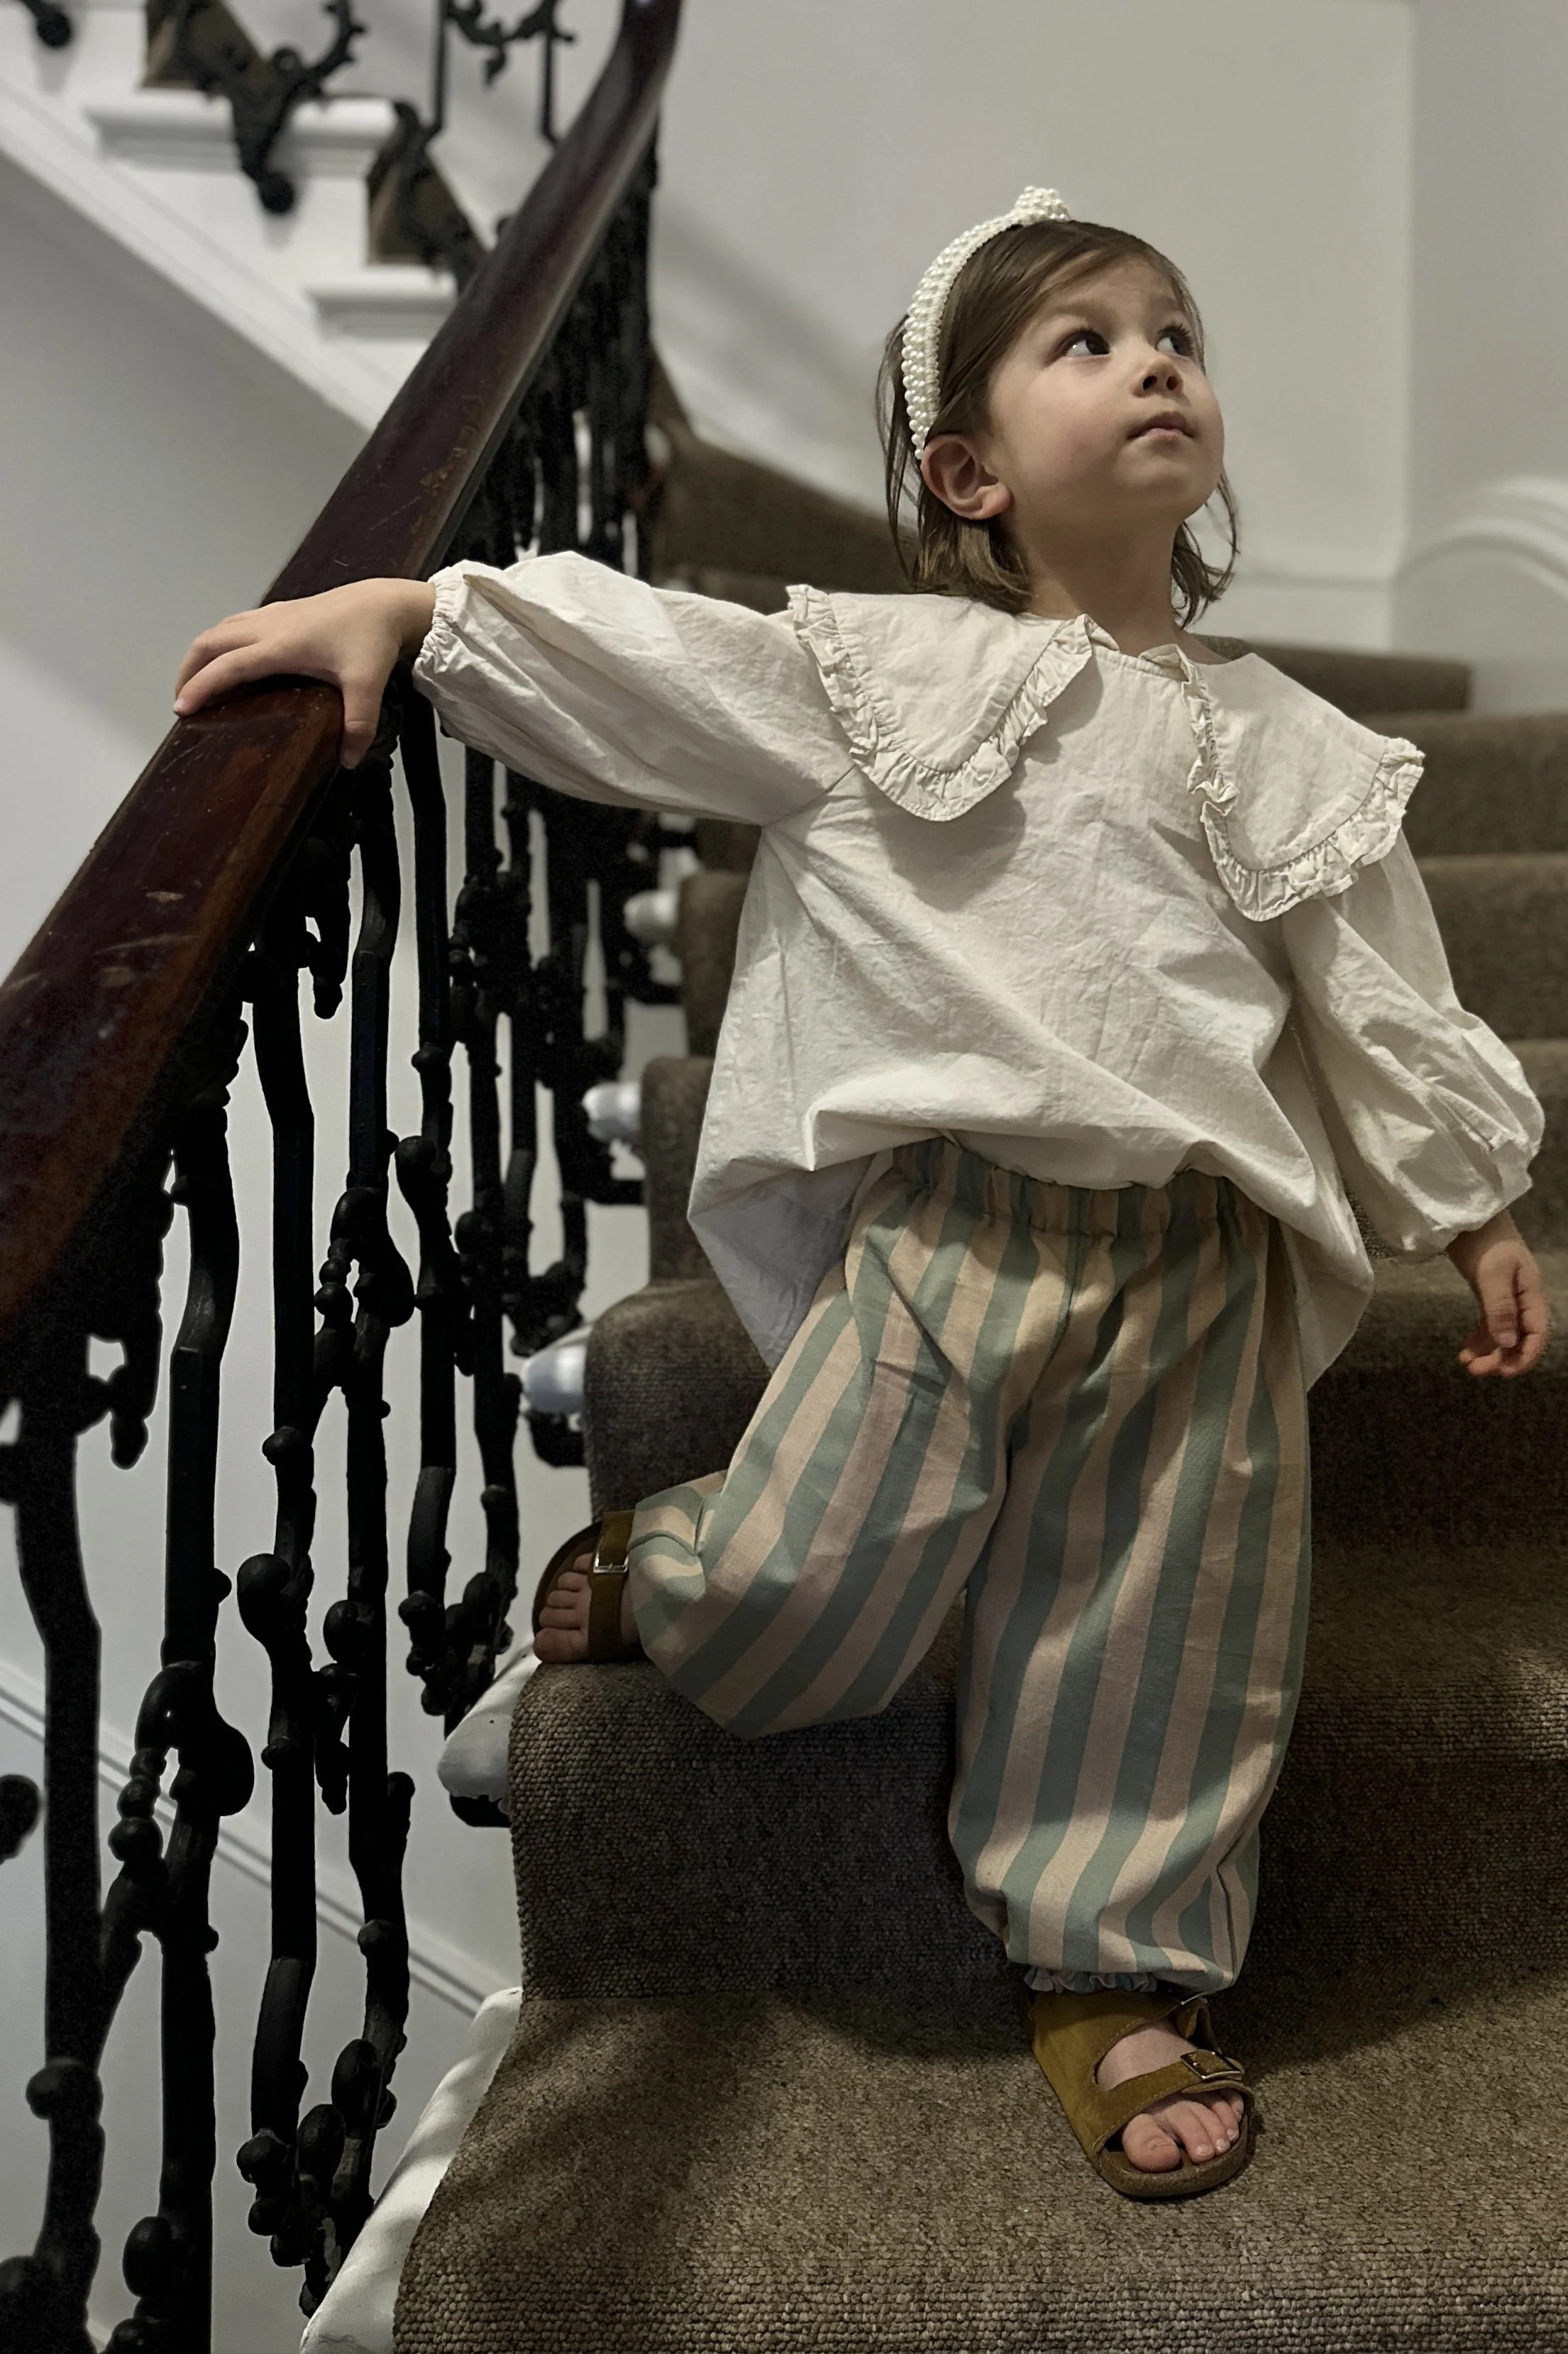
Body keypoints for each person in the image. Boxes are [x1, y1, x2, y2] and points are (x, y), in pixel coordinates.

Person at [173, 188, 1550, 2201]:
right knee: (816, 1583)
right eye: (1082, 341)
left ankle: (1107, 1959)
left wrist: (1477, 1207)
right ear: (968, 467)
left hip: (1199, 1269)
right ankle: (682, 1564)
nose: (1155, 359)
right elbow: (667, 665)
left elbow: (1377, 1002)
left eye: (1175, 331)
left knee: (1161, 1629)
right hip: (956, 1240)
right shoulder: (890, 675)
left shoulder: (1300, 748)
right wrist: (429, 618)